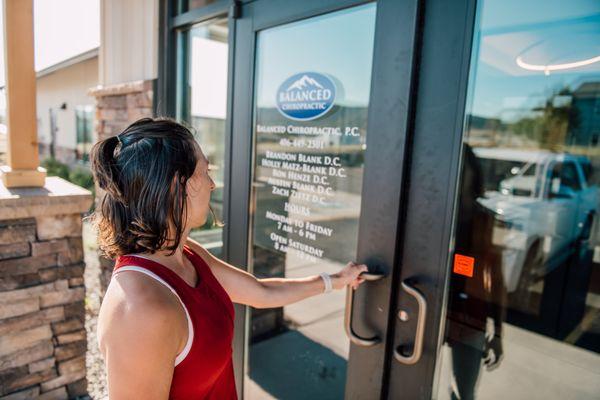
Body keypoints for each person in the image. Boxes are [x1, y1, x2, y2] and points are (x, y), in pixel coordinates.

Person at [91, 118, 368, 400]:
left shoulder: (186, 253)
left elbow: (261, 292)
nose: (213, 184)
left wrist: (334, 281)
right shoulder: (142, 310)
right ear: (177, 184)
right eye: (205, 171)